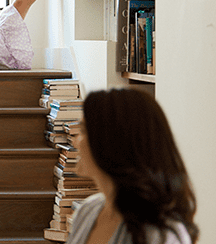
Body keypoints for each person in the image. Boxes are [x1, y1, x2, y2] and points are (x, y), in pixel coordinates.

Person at [68, 89, 199, 244]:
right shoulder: (87, 210)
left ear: (111, 143)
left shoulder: (160, 236)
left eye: (83, 131)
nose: (75, 142)